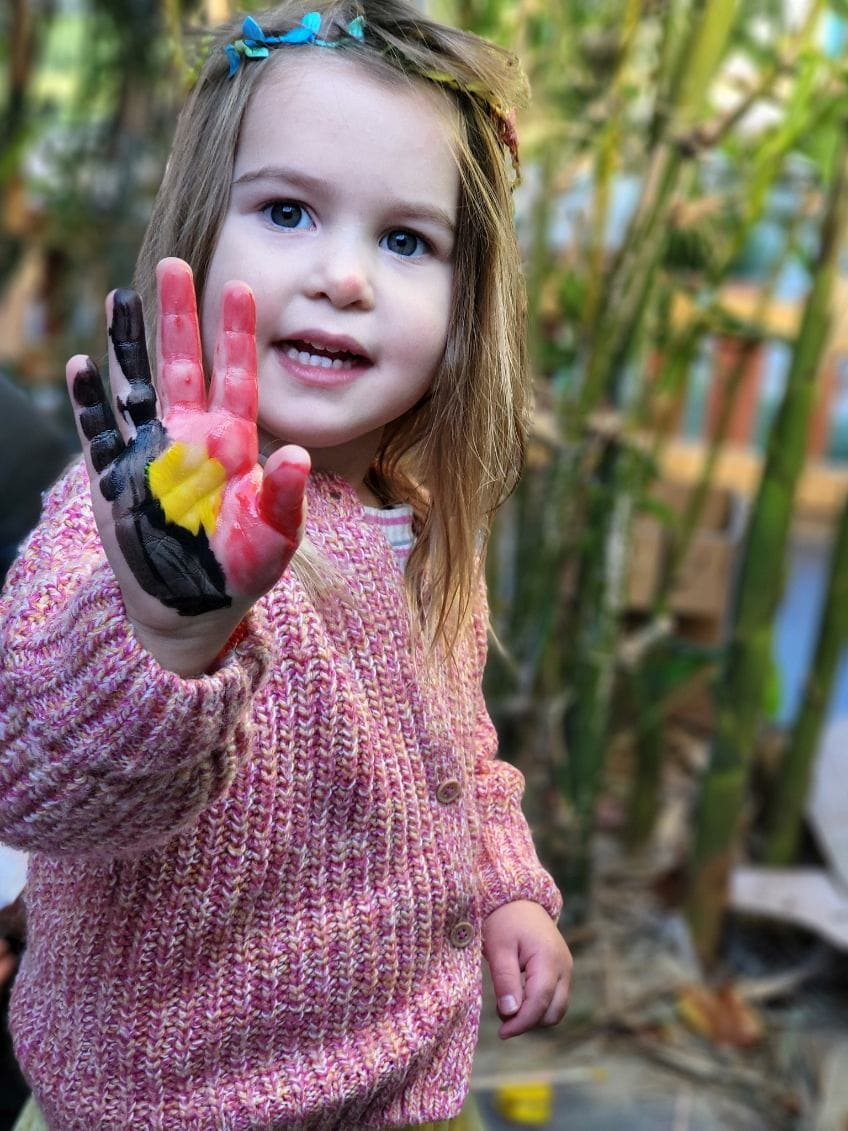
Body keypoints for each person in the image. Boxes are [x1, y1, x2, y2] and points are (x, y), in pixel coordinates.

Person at [0, 0, 572, 1127]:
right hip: (168, 1106)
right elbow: (34, 778)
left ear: (468, 306)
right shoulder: (147, 527)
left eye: (405, 240)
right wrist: (168, 628)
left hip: (399, 1088)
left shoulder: (406, 521)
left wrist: (504, 882)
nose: (345, 277)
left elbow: (454, 745)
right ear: (201, 232)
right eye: (289, 211)